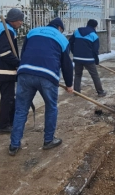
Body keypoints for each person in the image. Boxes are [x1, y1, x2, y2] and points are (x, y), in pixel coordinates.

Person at [9, 18, 74, 156]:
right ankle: (48, 140)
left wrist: (25, 67)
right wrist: (69, 85)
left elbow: (24, 52)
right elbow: (67, 64)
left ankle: (14, 145)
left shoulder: (32, 32)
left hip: (25, 72)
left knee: (20, 110)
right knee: (51, 107)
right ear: (59, 28)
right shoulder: (62, 39)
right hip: (48, 76)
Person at [0, 8, 24, 134]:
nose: (21, 23)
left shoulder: (0, 27)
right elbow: (5, 53)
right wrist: (19, 63)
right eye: (20, 21)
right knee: (7, 98)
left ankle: (10, 121)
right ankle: (4, 125)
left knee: (8, 97)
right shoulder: (6, 31)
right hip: (4, 70)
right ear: (13, 20)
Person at [69, 19, 106, 97]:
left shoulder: (77, 31)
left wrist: (74, 52)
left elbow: (70, 42)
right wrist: (96, 60)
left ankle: (76, 92)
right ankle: (100, 92)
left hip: (77, 58)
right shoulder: (94, 35)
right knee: (94, 75)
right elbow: (95, 50)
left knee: (78, 75)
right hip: (88, 59)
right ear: (95, 26)